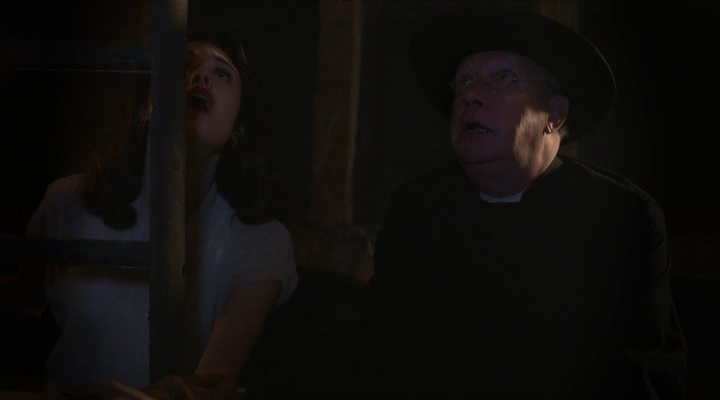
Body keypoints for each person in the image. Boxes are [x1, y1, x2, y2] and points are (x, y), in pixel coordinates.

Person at [357, 5, 687, 400]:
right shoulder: (415, 209)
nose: (470, 96)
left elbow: (642, 374)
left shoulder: (622, 220)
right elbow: (380, 353)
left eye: (503, 78)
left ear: (554, 114)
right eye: (464, 81)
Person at [13, 31, 298, 400]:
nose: (200, 76)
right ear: (147, 106)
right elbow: (19, 301)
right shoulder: (69, 201)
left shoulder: (261, 240)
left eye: (222, 73)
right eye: (183, 66)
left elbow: (209, 388)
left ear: (237, 129)